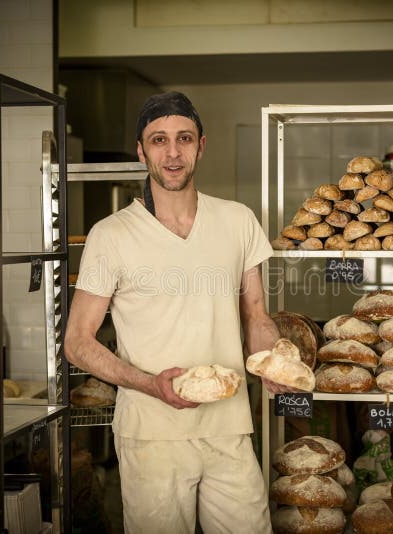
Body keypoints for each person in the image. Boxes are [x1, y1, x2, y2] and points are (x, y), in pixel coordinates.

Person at [64, 91, 289, 533]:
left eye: (183, 138)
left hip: (229, 426)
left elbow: (257, 315)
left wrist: (273, 363)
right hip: (152, 435)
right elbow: (77, 342)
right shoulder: (111, 235)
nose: (172, 153)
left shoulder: (238, 220)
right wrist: (150, 384)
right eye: (158, 140)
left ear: (201, 145)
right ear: (141, 150)